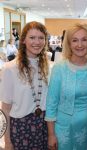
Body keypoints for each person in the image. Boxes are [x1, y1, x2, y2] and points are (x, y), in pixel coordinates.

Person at [45, 23, 87, 150]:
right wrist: (51, 134)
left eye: (84, 40)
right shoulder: (59, 68)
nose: (79, 45)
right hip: (65, 129)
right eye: (75, 40)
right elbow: (51, 103)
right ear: (69, 44)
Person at [0, 21, 50, 149]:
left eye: (41, 38)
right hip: (21, 128)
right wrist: (7, 141)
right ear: (23, 40)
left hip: (44, 126)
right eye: (32, 37)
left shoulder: (47, 66)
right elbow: (5, 108)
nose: (37, 42)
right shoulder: (10, 68)